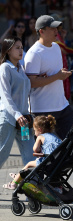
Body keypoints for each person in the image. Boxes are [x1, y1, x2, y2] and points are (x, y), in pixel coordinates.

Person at [24, 15, 73, 140]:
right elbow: (32, 82)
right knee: (45, 150)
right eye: (52, 29)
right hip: (42, 110)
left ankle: (67, 160)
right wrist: (57, 76)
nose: (56, 31)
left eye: (56, 28)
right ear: (41, 31)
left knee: (71, 143)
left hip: (62, 105)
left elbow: (55, 74)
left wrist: (61, 74)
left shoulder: (56, 47)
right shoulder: (34, 53)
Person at [0, 36, 35, 169]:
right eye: (17, 48)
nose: (21, 51)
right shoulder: (5, 68)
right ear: (8, 51)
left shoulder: (21, 68)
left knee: (31, 155)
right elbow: (5, 96)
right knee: (2, 154)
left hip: (24, 121)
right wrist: (16, 114)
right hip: (8, 119)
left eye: (21, 47)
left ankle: (32, 186)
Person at [3, 115, 62, 190]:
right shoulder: (55, 136)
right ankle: (19, 176)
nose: (34, 133)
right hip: (58, 162)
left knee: (29, 164)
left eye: (34, 130)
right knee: (35, 162)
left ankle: (13, 183)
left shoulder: (40, 136)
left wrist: (37, 144)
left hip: (48, 162)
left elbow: (35, 149)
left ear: (39, 129)